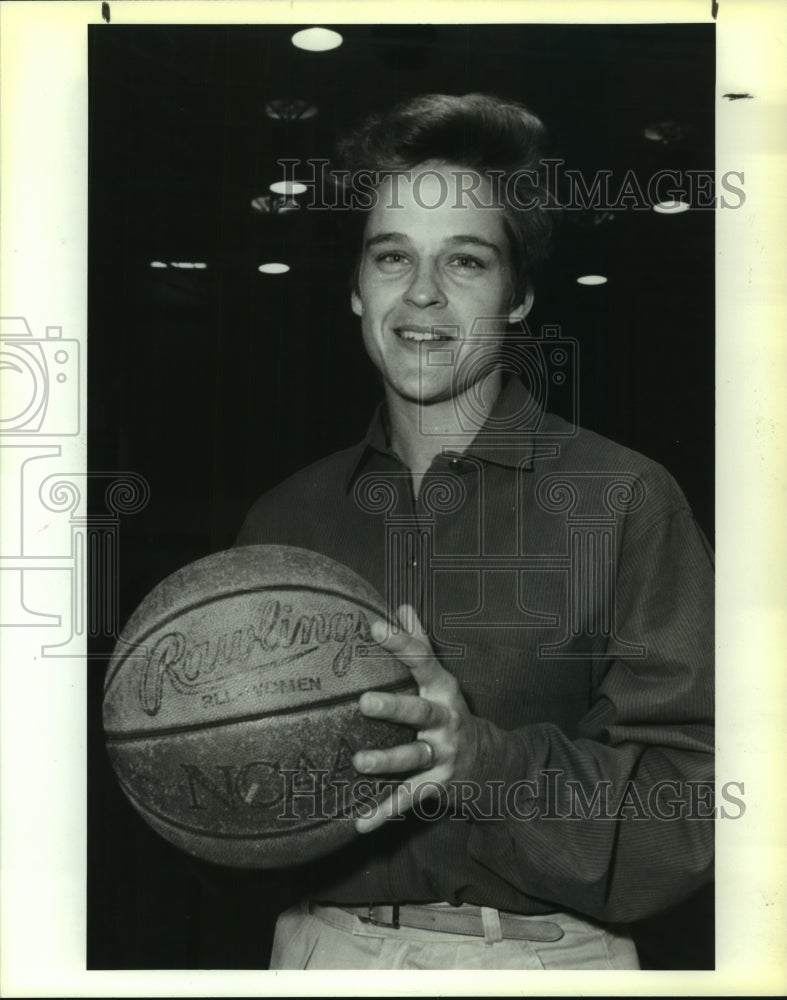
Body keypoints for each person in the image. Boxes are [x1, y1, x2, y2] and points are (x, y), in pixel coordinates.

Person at [235, 93, 714, 970]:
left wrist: (479, 762)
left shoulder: (627, 502)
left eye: (464, 260)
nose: (421, 292)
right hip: (319, 953)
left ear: (519, 294)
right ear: (355, 286)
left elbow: (693, 814)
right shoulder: (282, 520)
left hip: (547, 963)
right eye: (392, 257)